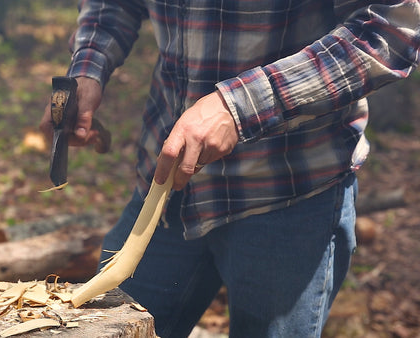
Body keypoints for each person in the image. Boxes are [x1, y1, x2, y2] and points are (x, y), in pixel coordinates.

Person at [40, 1, 420, 337]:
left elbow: (392, 28)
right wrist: (89, 68)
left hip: (287, 195)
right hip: (167, 192)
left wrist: (238, 106)